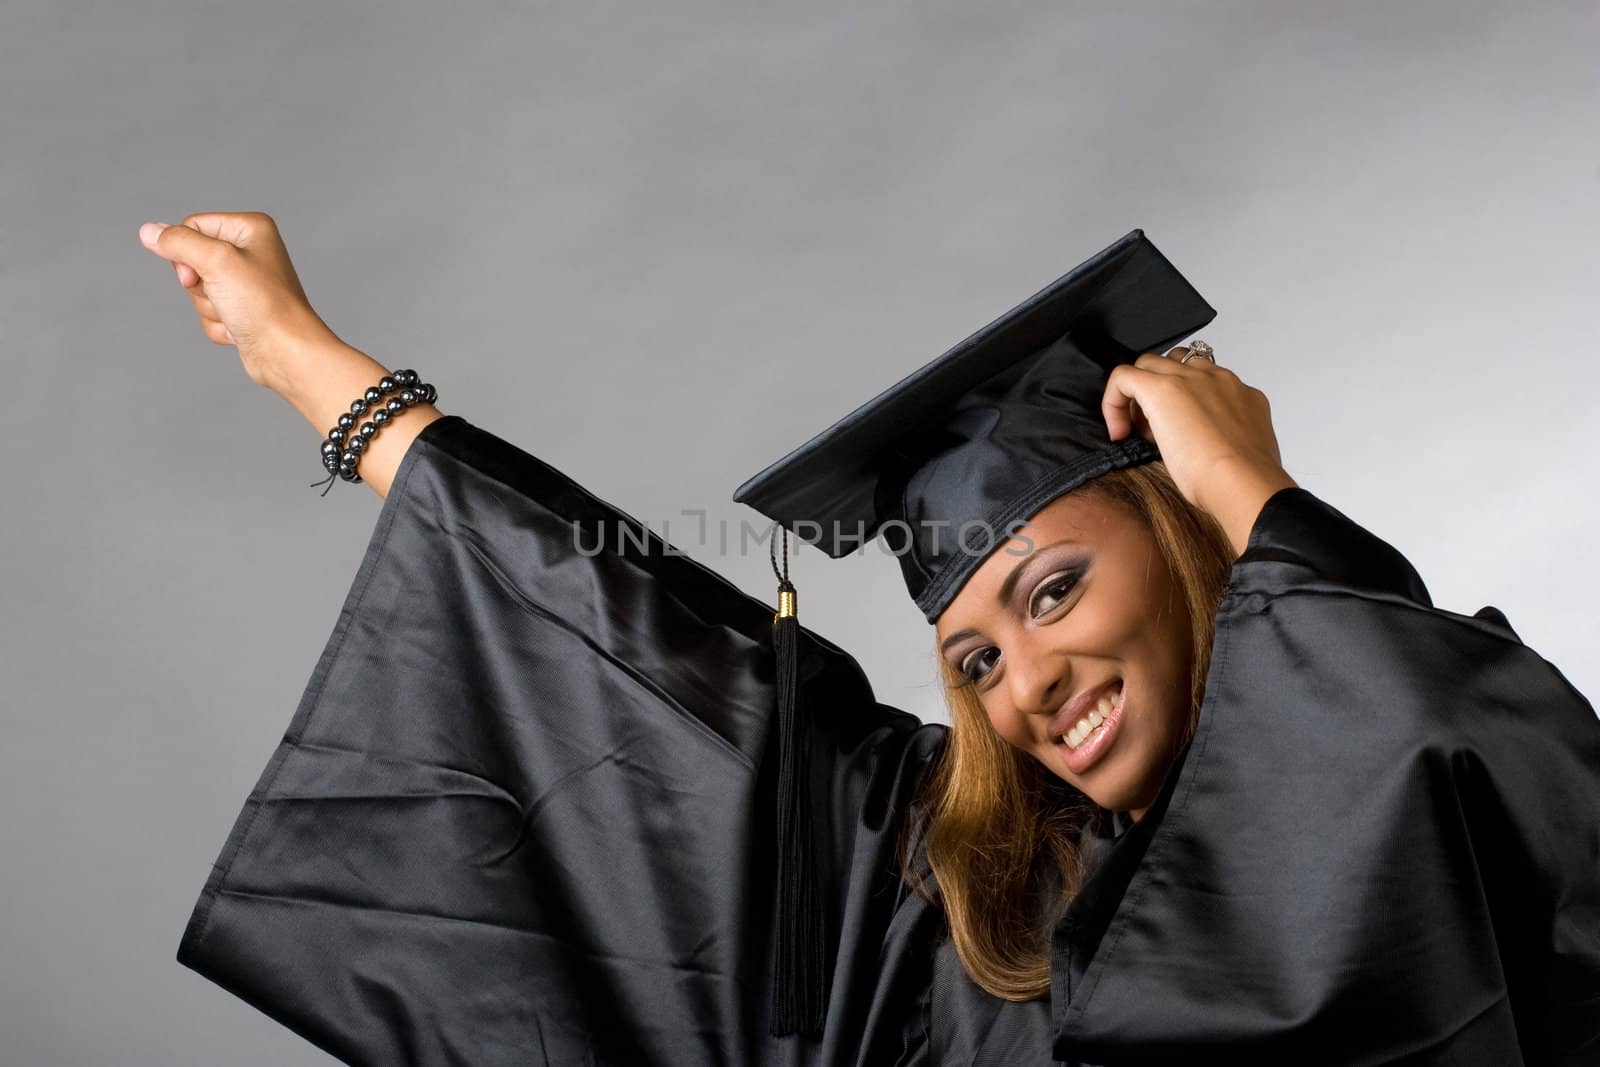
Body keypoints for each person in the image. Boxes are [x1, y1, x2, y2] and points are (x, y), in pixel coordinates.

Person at [140, 216, 1600, 1065]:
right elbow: (637, 646)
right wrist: (308, 364)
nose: (1028, 685)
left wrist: (1252, 493)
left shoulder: (1431, 756)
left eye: (1050, 592)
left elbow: (1435, 748)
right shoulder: (953, 908)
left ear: (1181, 551)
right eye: (971, 659)